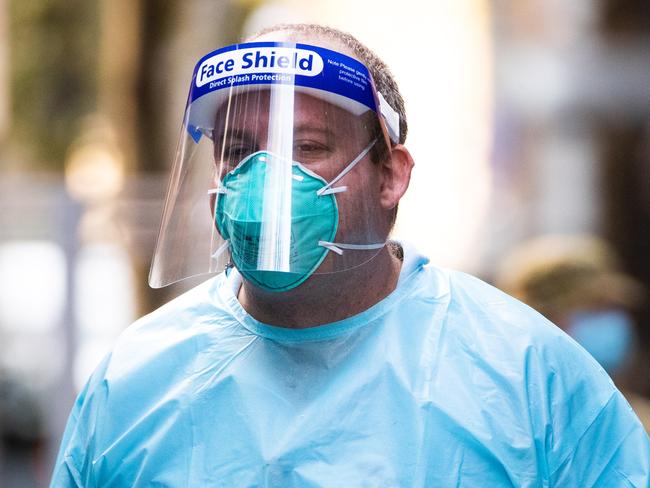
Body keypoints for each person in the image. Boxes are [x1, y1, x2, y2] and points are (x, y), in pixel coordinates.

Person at [50, 24, 649, 487]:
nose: (266, 181)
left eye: (306, 147)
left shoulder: (526, 374)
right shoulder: (132, 382)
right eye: (239, 150)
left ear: (390, 175)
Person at [496, 233, 650, 430]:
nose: (614, 320)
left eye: (613, 307)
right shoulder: (502, 429)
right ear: (544, 319)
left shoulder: (634, 423)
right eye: (595, 307)